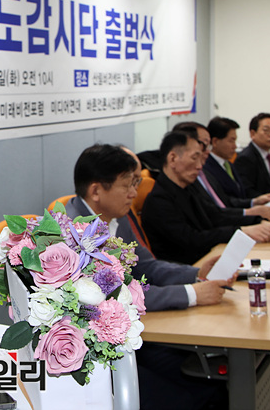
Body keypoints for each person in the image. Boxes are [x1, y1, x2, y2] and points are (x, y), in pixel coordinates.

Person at [64, 144, 231, 410]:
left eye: (135, 183)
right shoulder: (74, 236)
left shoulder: (115, 217)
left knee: (212, 381)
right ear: (96, 191)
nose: (134, 193)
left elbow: (147, 266)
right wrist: (191, 294)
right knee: (191, 396)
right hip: (98, 356)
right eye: (127, 185)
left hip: (133, 336)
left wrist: (197, 274)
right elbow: (116, 298)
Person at [142, 130, 270, 265]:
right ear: (173, 158)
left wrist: (257, 222)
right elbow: (192, 240)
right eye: (194, 158)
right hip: (188, 269)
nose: (199, 166)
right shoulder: (159, 200)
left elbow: (215, 215)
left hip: (209, 258)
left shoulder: (188, 188)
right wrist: (241, 231)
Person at [173, 121, 270, 221]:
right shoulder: (190, 178)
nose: (207, 150)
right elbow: (211, 216)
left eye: (208, 145)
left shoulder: (208, 172)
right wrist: (248, 214)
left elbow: (225, 201)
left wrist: (253, 203)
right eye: (204, 145)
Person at [205, 116, 270, 209]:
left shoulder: (228, 164)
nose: (235, 146)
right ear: (215, 141)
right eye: (231, 141)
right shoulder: (206, 168)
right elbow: (225, 201)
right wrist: (252, 202)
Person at [234, 112, 270, 198]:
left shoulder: (268, 156)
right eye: (266, 131)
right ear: (253, 134)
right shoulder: (246, 158)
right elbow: (248, 192)